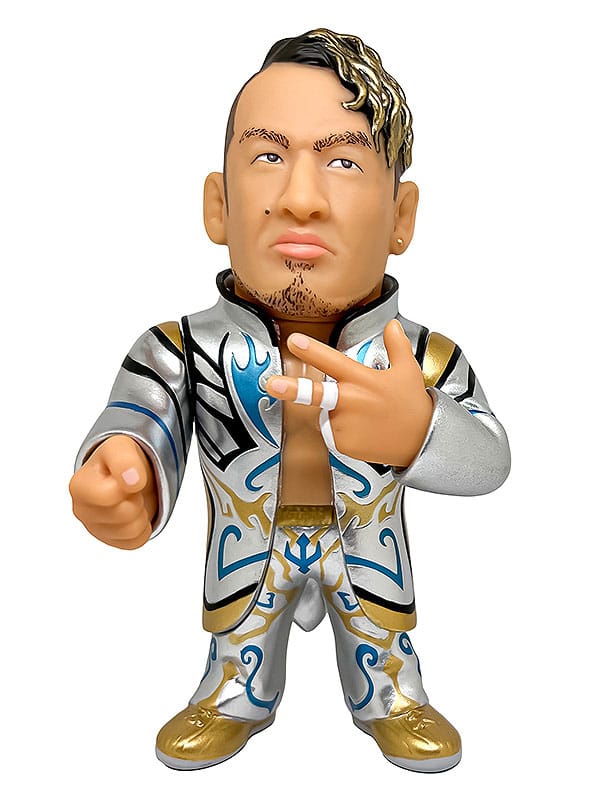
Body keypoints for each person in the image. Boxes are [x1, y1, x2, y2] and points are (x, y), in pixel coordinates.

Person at [69, 28, 510, 773]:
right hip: (246, 549)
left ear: (401, 217)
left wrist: (421, 431)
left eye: (343, 162)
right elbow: (140, 415)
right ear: (218, 205)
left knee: (383, 646)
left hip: (368, 551)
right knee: (237, 645)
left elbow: (491, 457)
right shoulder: (182, 348)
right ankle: (232, 693)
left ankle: (392, 696)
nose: (301, 199)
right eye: (268, 158)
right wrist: (123, 469)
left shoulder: (420, 358)